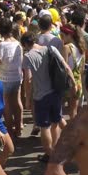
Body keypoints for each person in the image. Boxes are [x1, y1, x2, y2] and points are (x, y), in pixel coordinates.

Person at [22, 32, 73, 162]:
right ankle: (61, 147)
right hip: (56, 91)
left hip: (41, 95)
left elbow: (27, 80)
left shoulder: (28, 56)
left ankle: (49, 154)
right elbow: (66, 67)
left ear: (25, 44)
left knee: (44, 126)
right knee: (56, 122)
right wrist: (73, 82)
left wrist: (27, 99)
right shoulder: (51, 48)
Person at [0, 18, 23, 136]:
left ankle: (10, 130)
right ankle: (18, 127)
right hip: (16, 76)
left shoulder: (2, 45)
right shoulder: (18, 43)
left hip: (3, 77)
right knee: (17, 102)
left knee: (6, 105)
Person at [61, 23, 86, 120]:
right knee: (73, 111)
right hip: (78, 81)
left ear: (69, 35)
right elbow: (82, 68)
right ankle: (74, 132)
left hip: (68, 82)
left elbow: (64, 67)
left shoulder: (67, 48)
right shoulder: (81, 48)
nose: (62, 38)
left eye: (63, 35)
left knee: (60, 110)